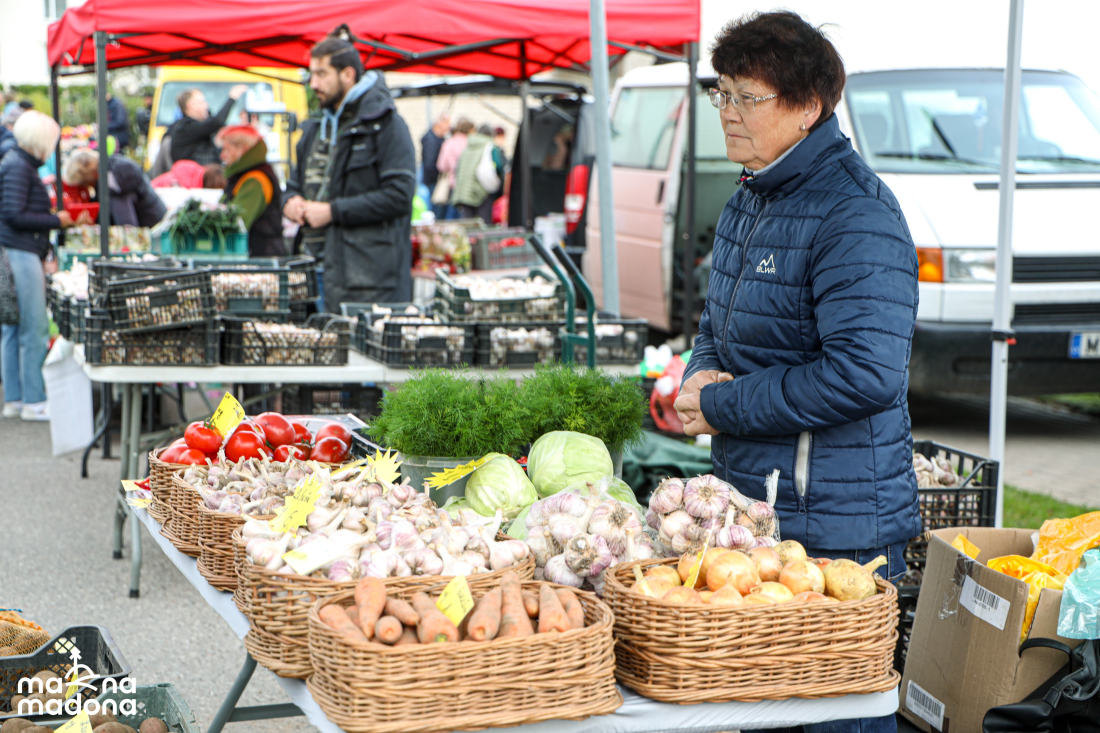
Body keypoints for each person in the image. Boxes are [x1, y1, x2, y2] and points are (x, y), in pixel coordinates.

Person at [672, 14, 919, 733]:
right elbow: (717, 327)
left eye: (746, 97)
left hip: (836, 529)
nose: (728, 112)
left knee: (835, 719)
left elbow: (864, 373)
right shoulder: (748, 199)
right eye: (721, 94)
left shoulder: (856, 213)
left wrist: (725, 406)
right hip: (758, 516)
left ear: (808, 107)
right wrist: (700, 378)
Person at [283, 34, 416, 309]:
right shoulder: (313, 129)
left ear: (348, 75)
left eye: (322, 74)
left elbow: (399, 196)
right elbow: (294, 184)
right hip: (310, 271)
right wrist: (290, 201)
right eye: (311, 74)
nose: (313, 84)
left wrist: (333, 211)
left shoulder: (386, 124)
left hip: (365, 281)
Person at [0, 111, 91, 421]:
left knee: (13, 328)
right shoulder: (19, 167)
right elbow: (14, 214)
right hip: (21, 252)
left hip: (13, 250)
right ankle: (34, 401)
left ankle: (15, 399)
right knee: (33, 327)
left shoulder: (14, 162)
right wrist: (56, 220)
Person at [215, 124, 286, 257]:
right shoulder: (245, 176)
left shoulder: (255, 180)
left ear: (243, 149)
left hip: (262, 257)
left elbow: (237, 222)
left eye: (227, 149)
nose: (222, 155)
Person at [62, 148, 166, 228]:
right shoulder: (112, 169)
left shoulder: (115, 185)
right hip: (156, 224)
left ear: (90, 178)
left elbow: (127, 228)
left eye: (83, 185)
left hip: (155, 233)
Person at [167, 84, 248, 165]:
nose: (206, 106)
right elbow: (216, 122)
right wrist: (232, 98)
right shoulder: (185, 127)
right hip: (192, 172)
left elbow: (214, 123)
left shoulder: (199, 127)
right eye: (202, 102)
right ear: (191, 106)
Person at [452, 123, 501, 222]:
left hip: (464, 190)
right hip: (481, 191)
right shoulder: (489, 146)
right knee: (483, 224)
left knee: (467, 224)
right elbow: (499, 165)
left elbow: (458, 168)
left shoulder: (467, 146)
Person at [434, 117, 473, 219]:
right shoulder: (470, 143)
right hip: (467, 184)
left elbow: (441, 165)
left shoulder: (449, 143)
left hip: (451, 183)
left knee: (450, 214)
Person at [421, 113, 449, 219]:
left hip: (433, 181)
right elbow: (430, 164)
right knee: (436, 212)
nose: (449, 128)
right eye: (447, 124)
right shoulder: (432, 141)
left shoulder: (437, 139)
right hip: (433, 182)